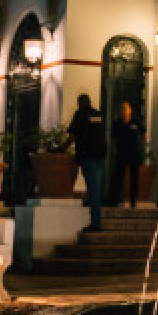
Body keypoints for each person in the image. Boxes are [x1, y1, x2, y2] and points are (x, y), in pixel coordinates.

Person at [67, 93, 106, 231]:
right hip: (100, 157)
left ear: (80, 103)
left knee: (93, 190)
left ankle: (96, 223)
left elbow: (72, 135)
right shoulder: (99, 115)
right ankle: (96, 221)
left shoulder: (80, 115)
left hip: (87, 156)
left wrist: (62, 147)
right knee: (96, 189)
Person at [109, 101, 145, 208]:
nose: (124, 111)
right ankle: (115, 200)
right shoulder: (117, 124)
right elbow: (113, 139)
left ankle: (133, 202)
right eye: (122, 109)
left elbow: (143, 135)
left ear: (130, 110)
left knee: (134, 178)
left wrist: (140, 148)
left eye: (126, 109)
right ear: (120, 111)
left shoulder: (136, 122)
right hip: (121, 155)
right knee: (119, 177)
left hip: (134, 155)